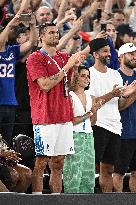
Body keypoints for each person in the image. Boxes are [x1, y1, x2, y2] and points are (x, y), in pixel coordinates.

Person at [26, 22, 85, 194]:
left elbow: (71, 86)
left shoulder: (64, 57)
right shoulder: (35, 58)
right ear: (41, 37)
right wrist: (68, 66)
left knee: (59, 163)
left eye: (57, 32)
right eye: (51, 32)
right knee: (41, 162)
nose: (55, 35)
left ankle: (56, 199)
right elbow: (44, 85)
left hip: (64, 115)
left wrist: (74, 67)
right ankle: (37, 199)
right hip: (44, 117)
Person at [87, 38, 136, 192]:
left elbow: (119, 105)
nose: (109, 54)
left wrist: (128, 95)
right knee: (93, 168)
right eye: (105, 51)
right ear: (95, 54)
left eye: (109, 51)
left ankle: (109, 200)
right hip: (98, 125)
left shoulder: (115, 75)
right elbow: (92, 104)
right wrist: (112, 94)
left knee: (109, 169)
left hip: (115, 127)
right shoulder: (89, 73)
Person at [63, 65, 104, 193]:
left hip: (89, 136)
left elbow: (93, 122)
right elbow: (71, 121)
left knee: (88, 173)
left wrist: (95, 111)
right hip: (74, 136)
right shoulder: (69, 95)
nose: (87, 79)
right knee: (73, 171)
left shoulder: (90, 96)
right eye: (83, 76)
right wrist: (89, 113)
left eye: (88, 76)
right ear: (76, 77)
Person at [0, 11, 37, 146]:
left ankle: (5, 167)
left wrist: (33, 25)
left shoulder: (12, 51)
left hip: (11, 103)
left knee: (7, 143)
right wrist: (11, 23)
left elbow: (32, 42)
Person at [113, 43, 136, 192]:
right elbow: (118, 107)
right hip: (122, 132)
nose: (134, 56)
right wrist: (133, 93)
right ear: (121, 56)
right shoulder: (114, 77)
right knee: (118, 172)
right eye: (130, 53)